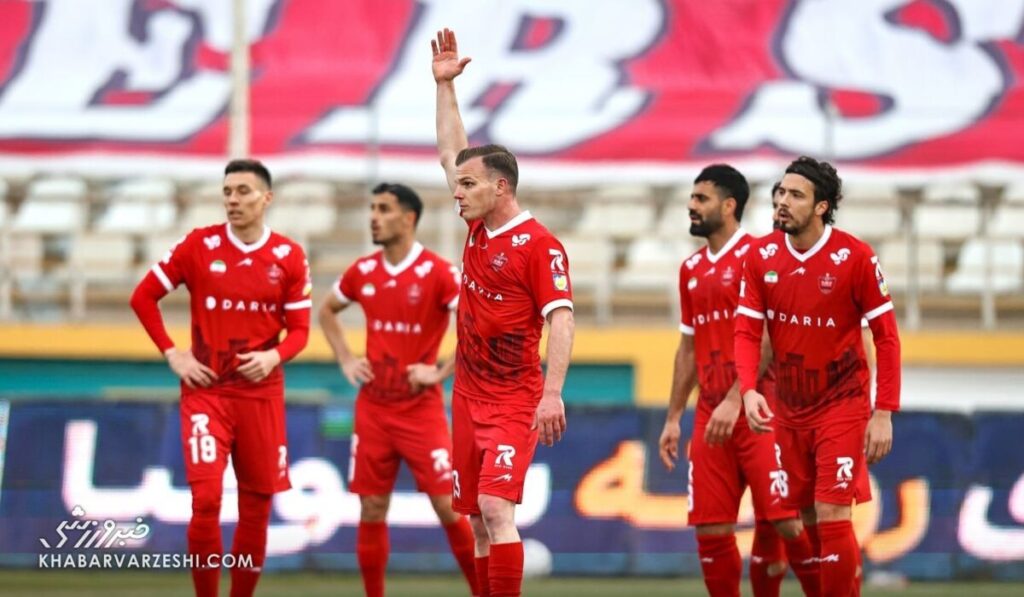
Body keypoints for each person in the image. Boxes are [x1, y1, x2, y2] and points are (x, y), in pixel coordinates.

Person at [432, 28, 575, 597]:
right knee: (475, 520)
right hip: (468, 395)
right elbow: (452, 154)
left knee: (495, 508)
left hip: (515, 399)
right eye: (458, 184)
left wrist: (552, 393)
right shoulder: (476, 226)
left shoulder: (540, 246)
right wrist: (445, 87)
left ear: (500, 187)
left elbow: (562, 318)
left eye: (468, 185)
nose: (457, 191)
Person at [130, 159, 311, 597]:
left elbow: (300, 332)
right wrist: (173, 353)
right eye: (227, 191)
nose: (233, 199)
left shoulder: (288, 256)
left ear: (266, 198)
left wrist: (273, 356)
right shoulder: (199, 245)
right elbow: (143, 297)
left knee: (257, 507)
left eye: (243, 191)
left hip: (260, 396)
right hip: (207, 392)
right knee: (207, 498)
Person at [736, 156, 901, 596]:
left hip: (842, 404)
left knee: (832, 511)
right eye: (780, 192)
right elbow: (747, 331)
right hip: (790, 408)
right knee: (806, 515)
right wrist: (749, 390)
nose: (782, 201)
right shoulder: (761, 256)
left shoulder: (856, 257)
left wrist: (883, 411)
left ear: (822, 206)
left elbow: (887, 337)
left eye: (795, 195)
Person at [658, 165, 820, 597]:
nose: (691, 206)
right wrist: (673, 417)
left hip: (760, 408)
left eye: (701, 199)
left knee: (785, 520)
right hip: (711, 412)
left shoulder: (760, 256)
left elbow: (768, 336)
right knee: (710, 530)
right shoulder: (691, 269)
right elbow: (688, 348)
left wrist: (737, 398)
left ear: (729, 206)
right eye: (692, 198)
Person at [318, 182, 477, 597]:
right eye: (372, 208)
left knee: (448, 505)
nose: (374, 217)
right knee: (372, 507)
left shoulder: (438, 272)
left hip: (420, 410)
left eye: (384, 209)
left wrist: (440, 372)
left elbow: (478, 324)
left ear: (408, 219)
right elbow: (327, 311)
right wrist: (346, 359)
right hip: (374, 408)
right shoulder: (363, 271)